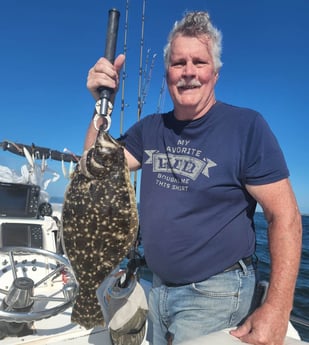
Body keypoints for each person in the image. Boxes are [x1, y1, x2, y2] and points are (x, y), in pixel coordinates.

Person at [85, 11, 302, 345]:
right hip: (157, 286)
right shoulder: (149, 129)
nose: (188, 72)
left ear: (214, 72)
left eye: (199, 62)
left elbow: (284, 216)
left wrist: (278, 307)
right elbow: (95, 169)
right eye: (178, 63)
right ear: (167, 72)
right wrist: (101, 106)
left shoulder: (247, 128)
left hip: (216, 291)